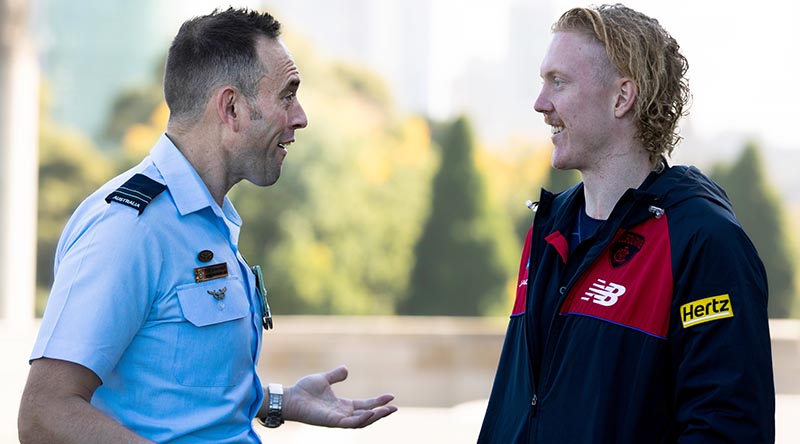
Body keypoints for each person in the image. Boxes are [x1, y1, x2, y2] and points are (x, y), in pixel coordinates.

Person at [18, 8, 396, 443]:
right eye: (288, 95)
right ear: (231, 108)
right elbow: (45, 414)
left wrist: (277, 400)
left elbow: (175, 388)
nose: (300, 117)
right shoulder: (128, 229)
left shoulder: (206, 220)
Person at [478, 4, 774, 443]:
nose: (541, 104)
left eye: (558, 82)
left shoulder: (704, 242)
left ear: (622, 97)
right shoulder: (548, 232)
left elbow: (727, 430)